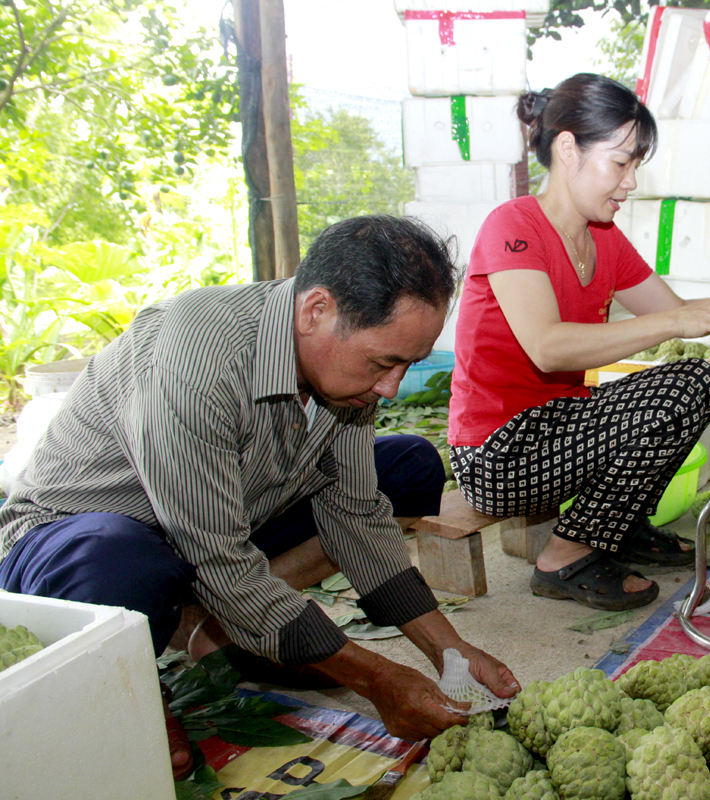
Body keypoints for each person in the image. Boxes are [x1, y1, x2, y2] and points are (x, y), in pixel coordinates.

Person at [0, 215, 519, 779]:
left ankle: (230, 625)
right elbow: (216, 557)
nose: (391, 387)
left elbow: (355, 516)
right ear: (315, 310)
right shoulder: (197, 357)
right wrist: (376, 679)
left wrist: (450, 650)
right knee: (123, 560)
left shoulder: (341, 376)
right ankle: (150, 675)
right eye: (382, 363)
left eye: (407, 364)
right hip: (74, 543)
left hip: (220, 522)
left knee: (406, 465)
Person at [448, 73, 710, 612]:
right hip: (497, 454)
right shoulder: (513, 226)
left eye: (635, 166)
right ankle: (564, 557)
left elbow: (678, 314)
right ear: (569, 148)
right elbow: (548, 348)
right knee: (674, 393)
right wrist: (676, 324)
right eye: (621, 163)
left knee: (694, 383)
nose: (630, 183)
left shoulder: (603, 237)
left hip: (560, 426)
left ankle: (618, 529)